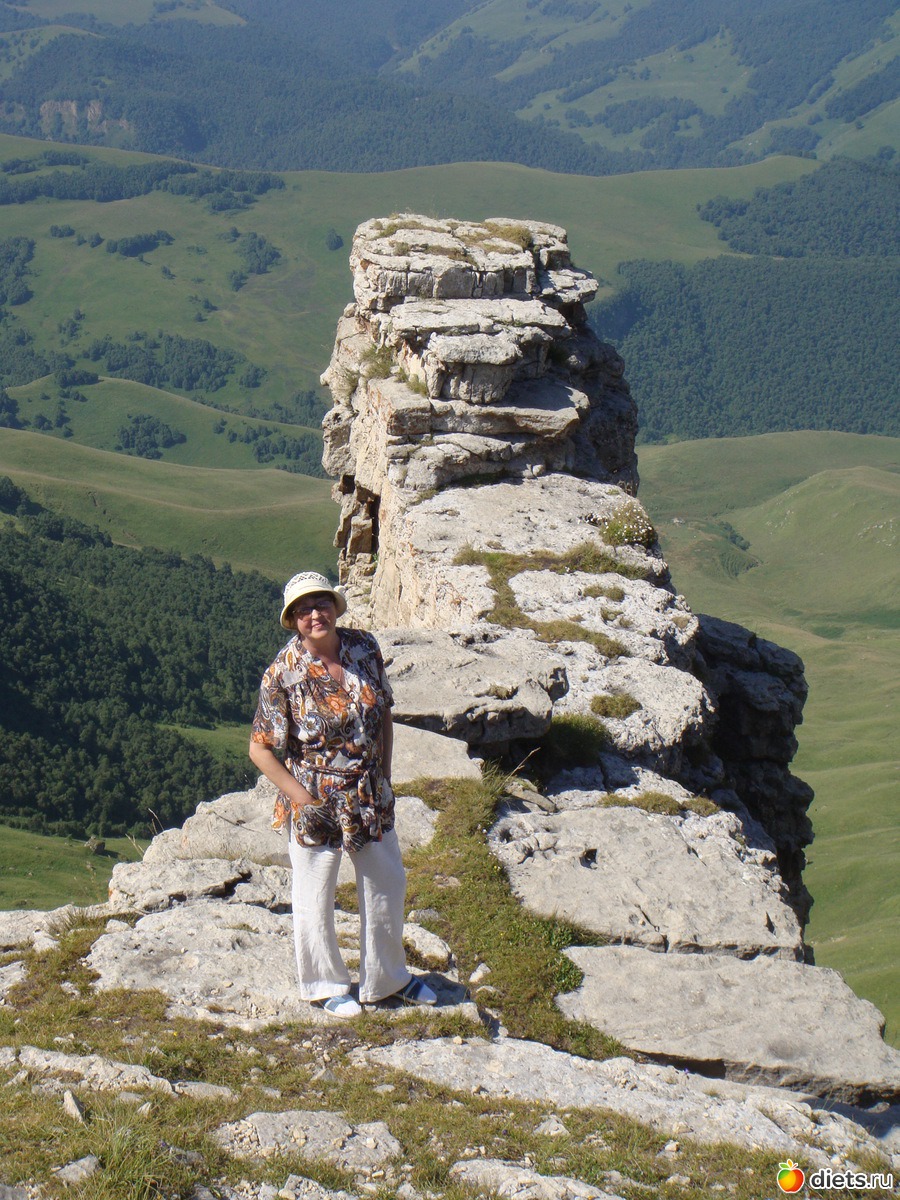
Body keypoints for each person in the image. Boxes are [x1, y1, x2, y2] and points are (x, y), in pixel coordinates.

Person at [249, 570, 436, 1017]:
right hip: (315, 796)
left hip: (368, 791)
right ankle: (324, 985)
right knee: (315, 893)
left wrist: (384, 775)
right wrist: (303, 800)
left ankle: (388, 980)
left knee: (386, 882)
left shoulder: (363, 647)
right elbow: (259, 749)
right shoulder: (283, 673)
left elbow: (383, 711)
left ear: (334, 606)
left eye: (321, 604)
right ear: (293, 620)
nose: (315, 614)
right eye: (304, 610)